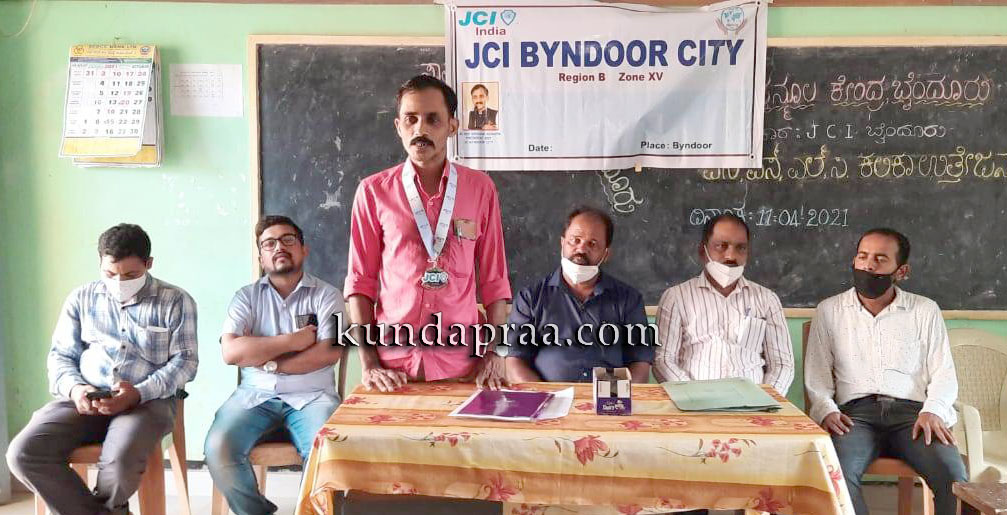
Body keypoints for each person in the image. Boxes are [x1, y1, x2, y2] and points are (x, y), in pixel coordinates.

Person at [6, 223, 198, 515]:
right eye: (110, 274)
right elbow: (60, 356)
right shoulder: (81, 298)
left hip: (147, 402)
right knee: (23, 453)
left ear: (148, 264)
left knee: (119, 463)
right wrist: (76, 389)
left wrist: (138, 393)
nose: (119, 282)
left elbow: (185, 363)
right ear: (100, 264)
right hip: (86, 399)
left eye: (130, 275)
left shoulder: (175, 300)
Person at [345, 74, 511, 392]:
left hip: (465, 367)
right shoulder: (373, 192)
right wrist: (369, 363)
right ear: (398, 127)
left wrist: (494, 353)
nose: (420, 129)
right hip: (392, 370)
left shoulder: (480, 189)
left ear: (452, 126)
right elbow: (360, 282)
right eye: (411, 119)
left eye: (433, 119)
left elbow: (495, 281)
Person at [805, 228, 966, 515]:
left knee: (954, 478)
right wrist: (826, 410)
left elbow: (944, 372)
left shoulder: (924, 310)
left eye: (880, 259)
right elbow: (817, 377)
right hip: (854, 417)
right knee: (834, 475)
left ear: (901, 271)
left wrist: (934, 411)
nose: (868, 265)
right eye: (863, 256)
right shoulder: (829, 311)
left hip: (914, 416)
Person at [204, 215, 345, 515]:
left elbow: (328, 352)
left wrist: (265, 360)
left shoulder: (328, 295)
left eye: (287, 240)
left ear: (304, 249)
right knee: (219, 448)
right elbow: (231, 352)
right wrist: (290, 341)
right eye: (268, 244)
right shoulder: (245, 297)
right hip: (254, 396)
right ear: (261, 257)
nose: (278, 247)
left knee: (326, 452)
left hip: (313, 397)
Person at [505, 206, 653, 383]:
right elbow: (515, 361)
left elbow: (640, 363)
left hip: (609, 396)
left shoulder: (629, 299)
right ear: (562, 243)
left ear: (606, 254)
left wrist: (614, 397)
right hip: (549, 395)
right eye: (575, 240)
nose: (581, 249)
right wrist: (545, 396)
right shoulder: (531, 298)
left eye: (592, 244)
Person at [654, 213, 794, 396]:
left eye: (740, 248)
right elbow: (663, 361)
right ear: (703, 252)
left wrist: (765, 400)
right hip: (692, 402)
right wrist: (692, 397)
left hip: (753, 404)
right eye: (721, 246)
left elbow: (782, 364)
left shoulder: (767, 300)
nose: (731, 255)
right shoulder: (676, 298)